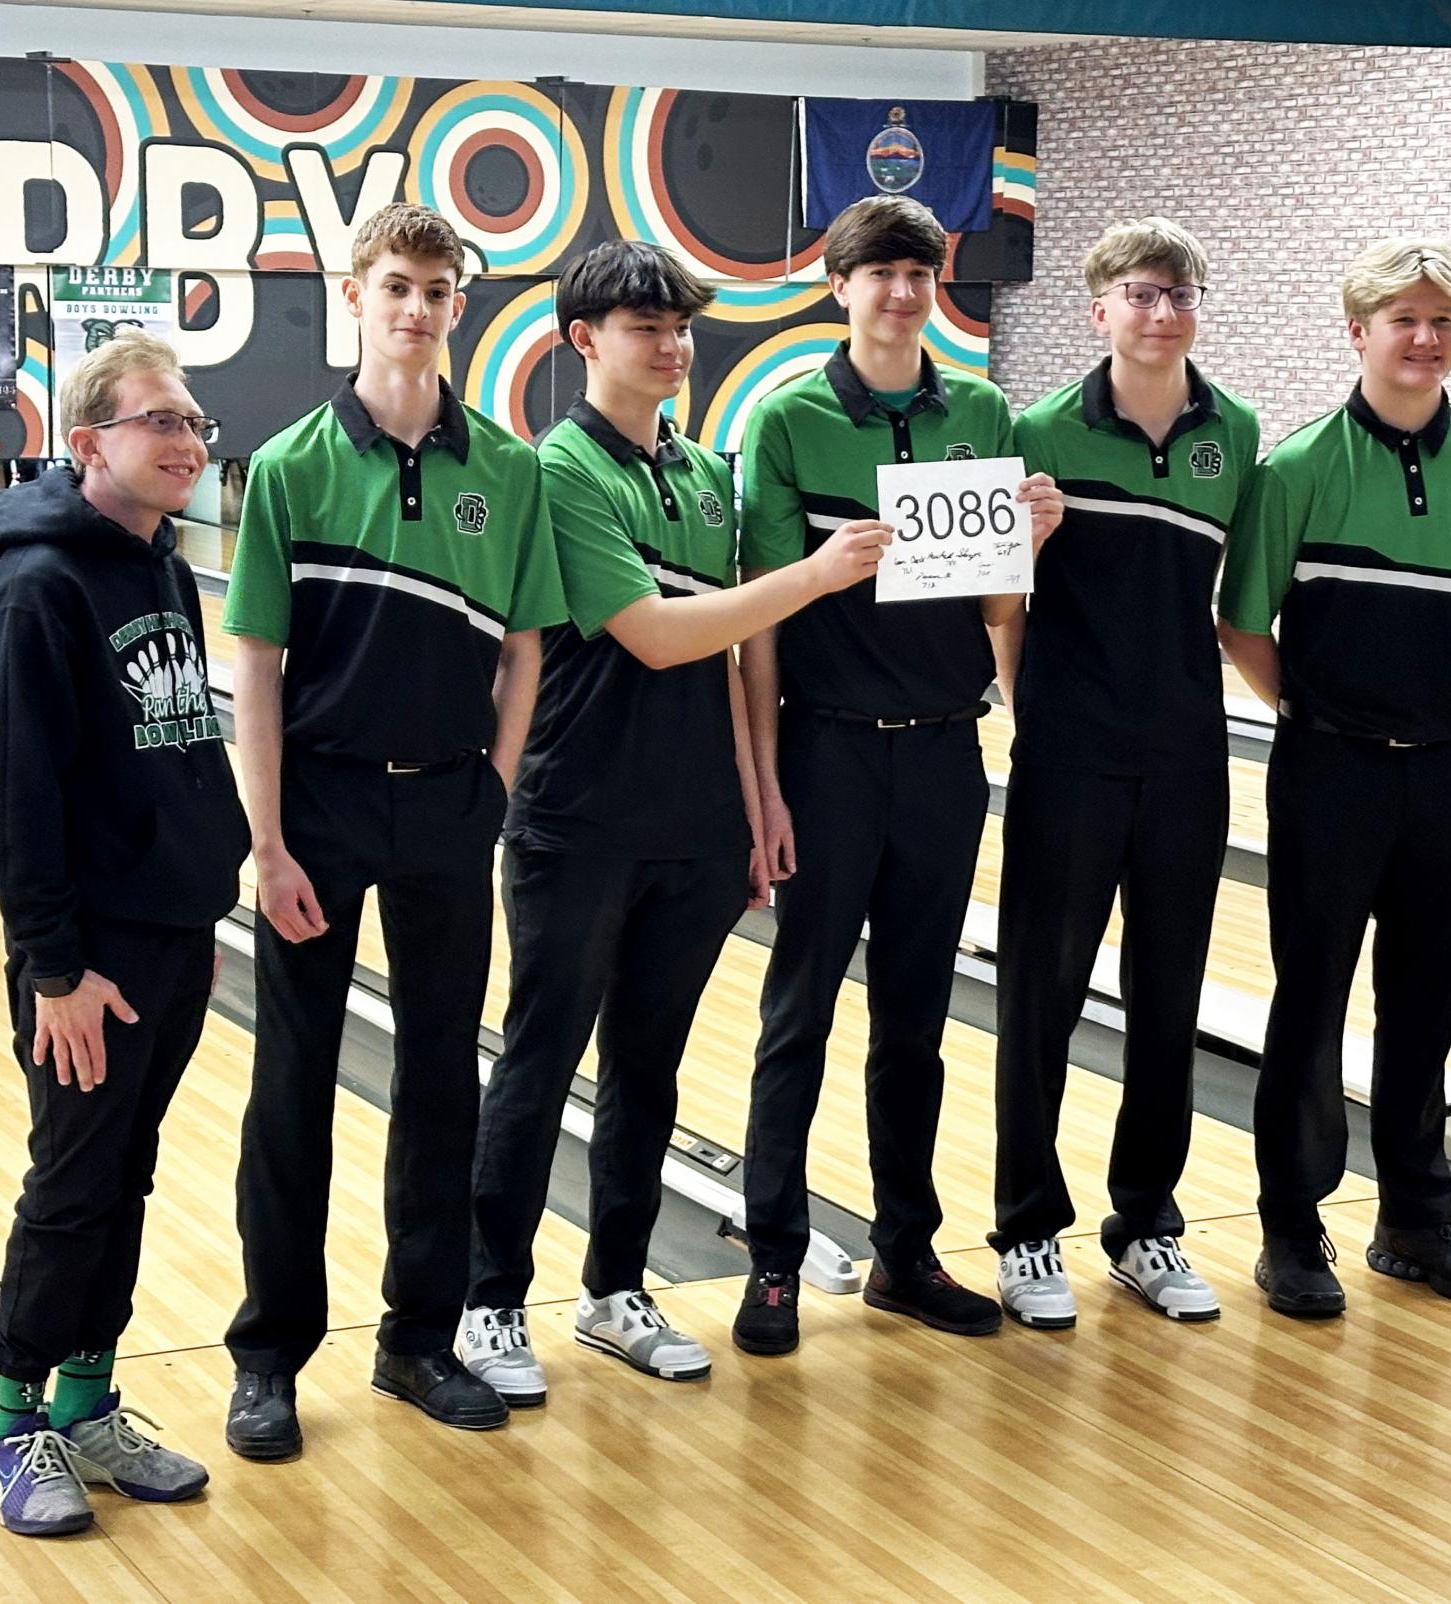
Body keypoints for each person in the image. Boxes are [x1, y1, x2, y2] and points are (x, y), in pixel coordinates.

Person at [459, 241, 887, 1404]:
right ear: (582, 339)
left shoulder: (705, 473)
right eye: (644, 324)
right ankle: (490, 1295)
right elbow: (653, 630)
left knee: (649, 1069)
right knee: (541, 1061)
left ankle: (613, 1286)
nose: (671, 343)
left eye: (682, 324)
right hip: (580, 815)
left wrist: (758, 803)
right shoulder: (559, 470)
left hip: (696, 823)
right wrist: (811, 576)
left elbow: (746, 658)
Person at [220, 202, 565, 1453]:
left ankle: (416, 1338)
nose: (416, 307)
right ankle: (269, 1353)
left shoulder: (510, 471)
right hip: (318, 803)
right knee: (292, 1087)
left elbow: (525, 648)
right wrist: (267, 839)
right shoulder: (292, 464)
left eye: (437, 288)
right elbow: (254, 666)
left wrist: (498, 781)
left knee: (438, 1082)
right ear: (352, 296)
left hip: (446, 804)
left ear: (456, 306)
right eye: (396, 285)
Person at [732, 195, 1060, 1357]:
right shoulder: (786, 421)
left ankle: (906, 1251)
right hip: (824, 745)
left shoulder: (982, 412)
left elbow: (998, 606)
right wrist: (764, 786)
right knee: (800, 1010)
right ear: (840, 285)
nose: (903, 291)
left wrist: (1037, 532)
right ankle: (771, 1256)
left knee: (916, 1016)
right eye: (880, 272)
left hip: (939, 749)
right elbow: (759, 627)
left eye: (920, 271)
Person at [1217, 238, 1451, 1317]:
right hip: (1333, 774)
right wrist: (1327, 718)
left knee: (1429, 1002)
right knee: (1311, 1001)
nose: (1424, 339)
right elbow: (1244, 622)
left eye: (1441, 321)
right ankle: (1292, 1227)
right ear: (1357, 330)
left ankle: (1417, 1216)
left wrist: (1434, 707)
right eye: (1403, 319)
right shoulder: (1297, 468)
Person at [0, 330, 250, 1536]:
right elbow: (16, 800)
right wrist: (54, 970)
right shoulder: (31, 593)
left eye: (194, 425)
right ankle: (13, 1424)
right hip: (91, 957)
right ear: (89, 444)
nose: (186, 443)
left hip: (177, 929)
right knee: (73, 1183)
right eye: (159, 423)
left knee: (124, 1176)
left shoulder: (164, 565)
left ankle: (87, 1401)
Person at [985, 218, 1259, 1329]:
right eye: (1141, 294)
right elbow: (1002, 599)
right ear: (1098, 309)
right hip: (1071, 752)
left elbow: (1240, 601)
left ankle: (1146, 1222)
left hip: (1188, 751)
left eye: (1180, 293)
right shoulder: (1038, 429)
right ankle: (1025, 1227)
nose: (1161, 312)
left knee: (1169, 990)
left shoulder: (1233, 433)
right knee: (1039, 992)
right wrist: (1025, 703)